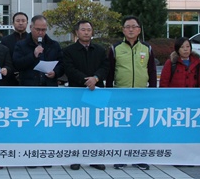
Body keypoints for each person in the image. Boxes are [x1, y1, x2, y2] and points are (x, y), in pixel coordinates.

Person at [106, 15, 156, 171]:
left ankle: (140, 157)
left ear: (139, 30)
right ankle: (120, 157)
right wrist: (110, 93)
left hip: (142, 94)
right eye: (127, 26)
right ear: (123, 30)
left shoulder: (147, 48)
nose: (131, 29)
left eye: (134, 26)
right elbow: (110, 72)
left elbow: (152, 71)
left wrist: (152, 91)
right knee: (122, 127)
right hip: (121, 93)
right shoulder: (115, 49)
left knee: (141, 126)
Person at [62, 20, 109, 171]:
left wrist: (95, 78)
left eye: (89, 29)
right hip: (77, 91)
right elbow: (69, 69)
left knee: (96, 126)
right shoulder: (69, 50)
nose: (86, 32)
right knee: (77, 126)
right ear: (77, 32)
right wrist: (87, 81)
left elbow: (105, 67)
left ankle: (95, 158)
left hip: (97, 91)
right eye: (83, 30)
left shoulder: (100, 50)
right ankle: (75, 158)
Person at [13, 15, 63, 86]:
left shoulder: (54, 45)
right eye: (37, 29)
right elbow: (17, 64)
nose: (40, 33)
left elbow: (62, 64)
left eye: (43, 30)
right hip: (29, 87)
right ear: (30, 27)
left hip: (49, 86)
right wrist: (33, 55)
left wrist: (55, 72)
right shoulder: (21, 45)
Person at [0, 12, 28, 85]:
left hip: (29, 77)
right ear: (13, 23)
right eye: (18, 21)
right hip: (10, 77)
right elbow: (4, 59)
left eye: (23, 21)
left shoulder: (32, 39)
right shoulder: (5, 40)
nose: (20, 23)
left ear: (27, 23)